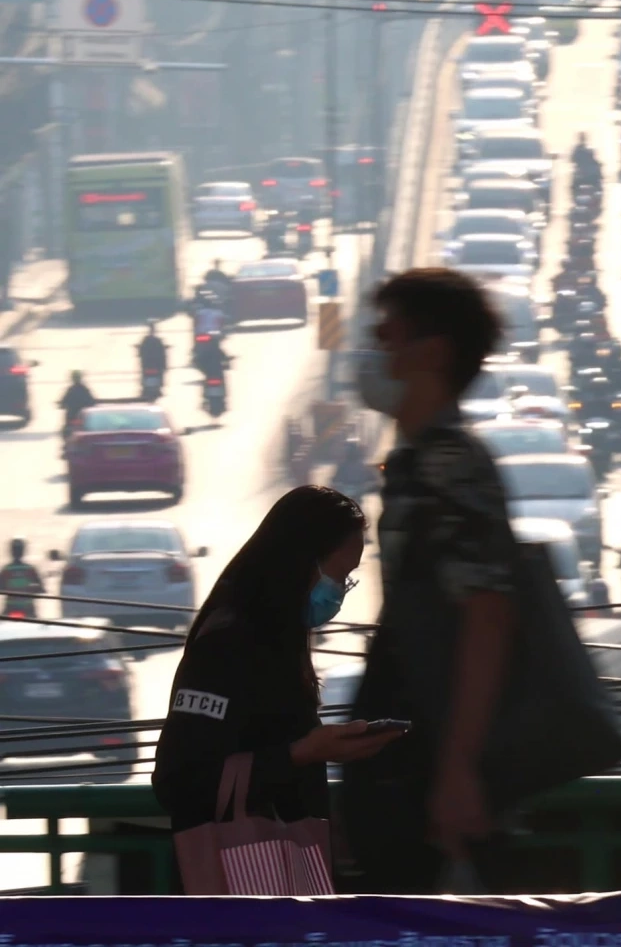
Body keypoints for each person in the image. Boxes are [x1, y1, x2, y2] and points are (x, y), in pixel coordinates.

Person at [343, 268, 520, 894]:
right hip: (403, 759)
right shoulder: (420, 459)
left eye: (388, 337)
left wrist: (457, 771)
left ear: (433, 352)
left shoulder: (447, 464)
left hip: (424, 773)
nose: (374, 353)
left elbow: (487, 614)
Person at [152, 486, 405, 890]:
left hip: (288, 870)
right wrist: (304, 752)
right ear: (299, 563)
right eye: (340, 575)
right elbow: (180, 781)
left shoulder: (276, 639)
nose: (340, 590)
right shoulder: (228, 644)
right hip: (240, 885)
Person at [0, 538, 44, 618]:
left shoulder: (6, 569)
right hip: (27, 607)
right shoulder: (30, 569)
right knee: (36, 625)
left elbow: (1, 586)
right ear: (23, 551)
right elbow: (40, 587)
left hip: (11, 606)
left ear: (11, 552)